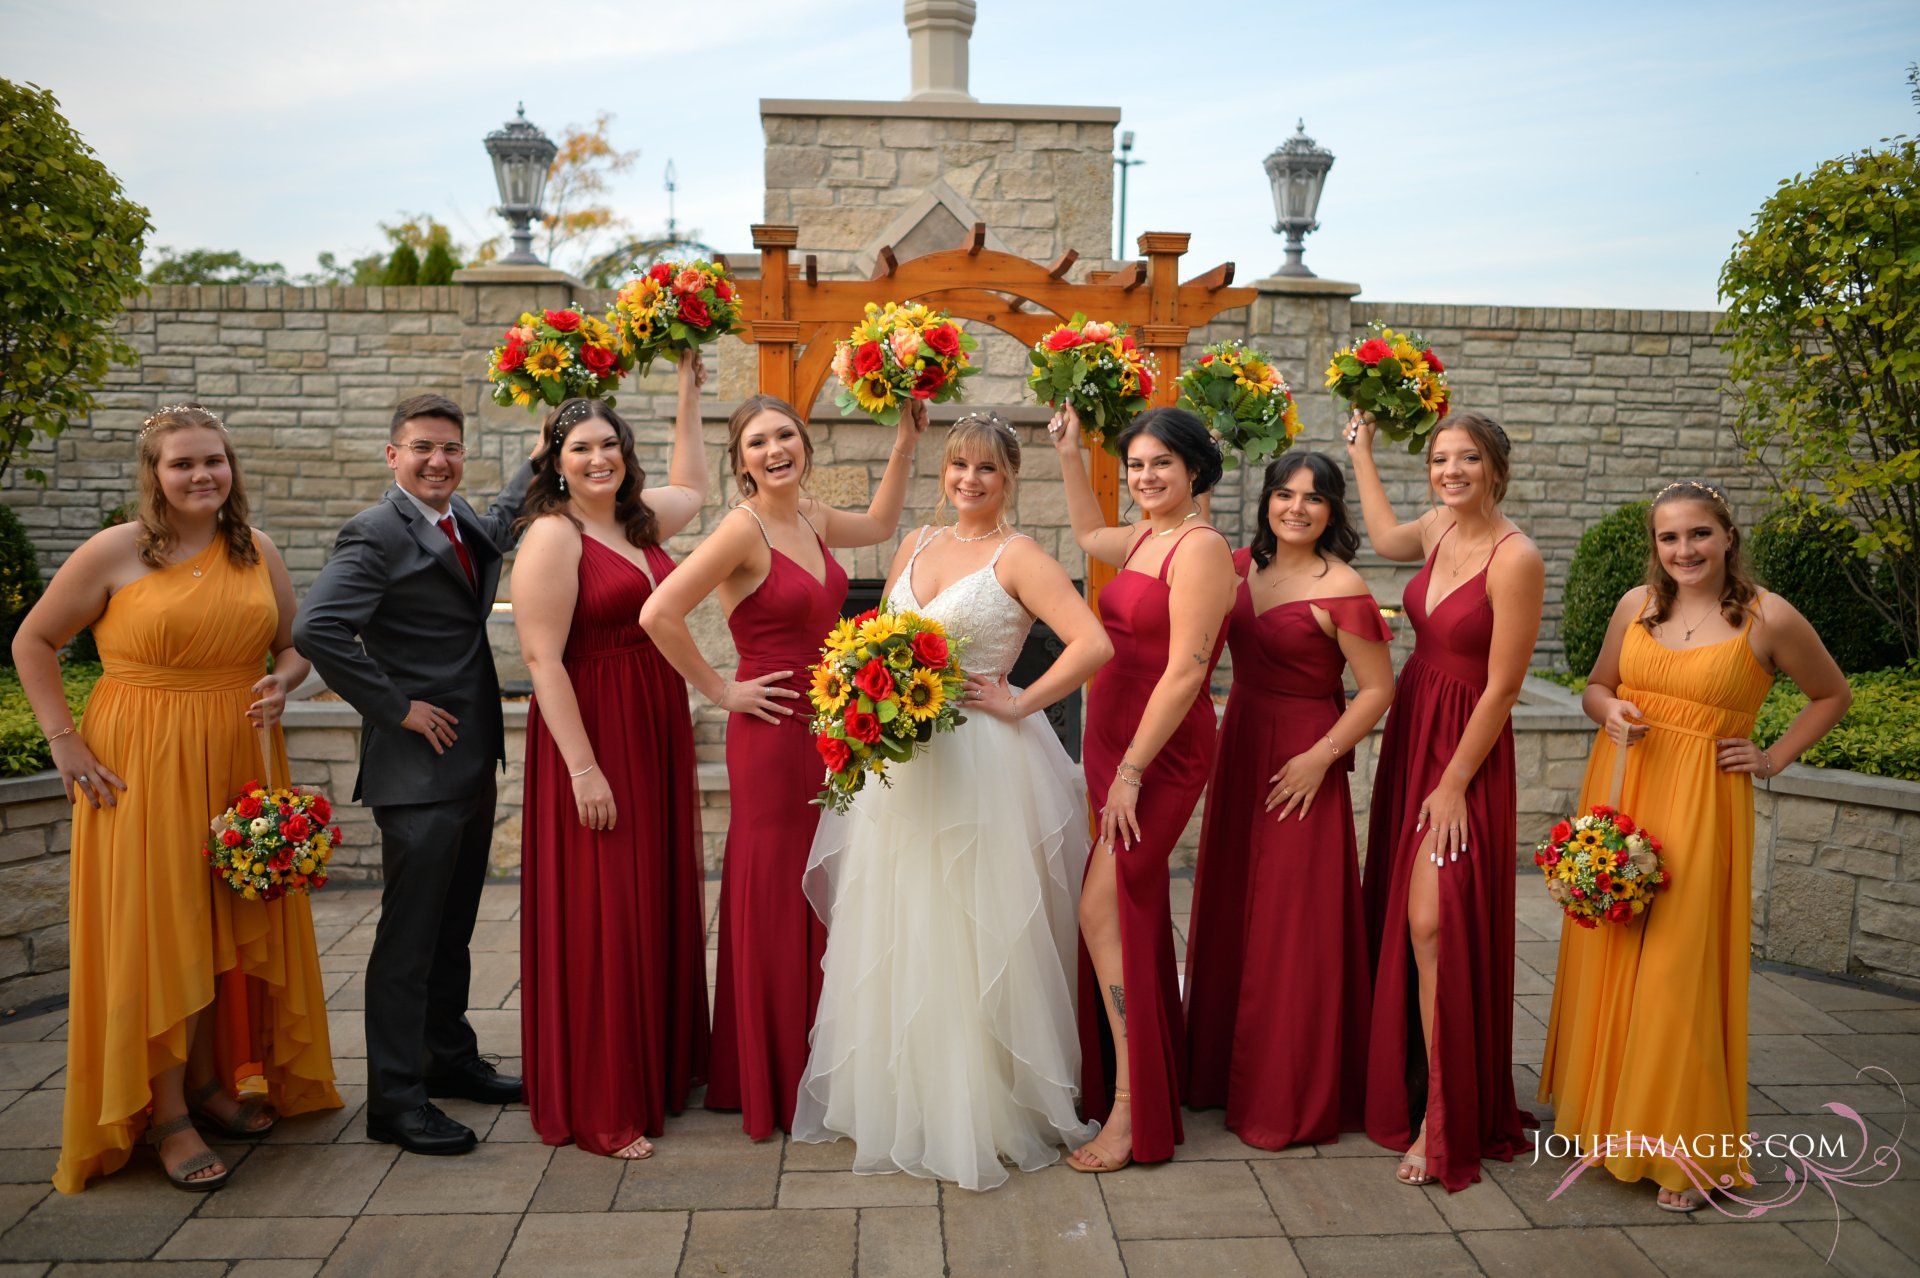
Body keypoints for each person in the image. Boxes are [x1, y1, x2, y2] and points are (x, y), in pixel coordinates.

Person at [17, 405, 340, 1193]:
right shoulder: (116, 550)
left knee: (220, 921)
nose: (202, 475)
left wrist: (283, 681)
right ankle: (164, 1117)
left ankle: (207, 1082)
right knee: (162, 930)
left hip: (237, 755)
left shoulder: (256, 549)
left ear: (232, 467)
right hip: (142, 763)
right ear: (154, 474)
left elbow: (294, 646)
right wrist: (64, 741)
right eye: (183, 463)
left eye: (214, 460)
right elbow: (33, 640)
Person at [789, 412, 1112, 1189]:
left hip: (983, 767)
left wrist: (1020, 699)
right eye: (960, 464)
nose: (970, 479)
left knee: (974, 929)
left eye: (987, 468)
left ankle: (985, 1110)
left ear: (1009, 479)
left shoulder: (1020, 555)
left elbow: (1093, 643)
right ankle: (905, 1102)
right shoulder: (916, 542)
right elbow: (883, 640)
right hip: (905, 769)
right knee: (905, 922)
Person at [1539, 480, 1850, 1212]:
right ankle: (1608, 1124)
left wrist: (1771, 758)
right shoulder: (1635, 606)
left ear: (1728, 536)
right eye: (1670, 537)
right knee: (1612, 955)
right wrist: (1610, 709)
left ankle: (1686, 1156)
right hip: (1625, 790)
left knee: (1680, 970)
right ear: (1656, 545)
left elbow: (1832, 694)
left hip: (1704, 806)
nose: (1685, 550)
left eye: (1699, 534)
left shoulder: (1769, 617)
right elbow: (1595, 686)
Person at [641, 392, 925, 1141]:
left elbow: (882, 525)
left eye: (785, 436)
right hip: (768, 732)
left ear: (804, 445)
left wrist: (904, 439)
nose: (775, 450)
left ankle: (822, 1060)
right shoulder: (743, 529)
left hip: (829, 728)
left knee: (825, 883)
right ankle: (764, 1074)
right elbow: (658, 612)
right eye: (759, 442)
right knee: (774, 889)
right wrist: (721, 690)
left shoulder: (813, 517)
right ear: (741, 462)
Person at [293, 392, 532, 1155]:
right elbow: (317, 627)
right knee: (409, 941)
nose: (438, 460)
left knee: (452, 928)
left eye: (450, 447)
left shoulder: (460, 520)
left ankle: (447, 1058)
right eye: (423, 447)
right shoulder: (374, 532)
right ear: (392, 455)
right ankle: (395, 1102)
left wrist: (541, 455)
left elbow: (504, 520)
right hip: (415, 770)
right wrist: (395, 708)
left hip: (469, 759)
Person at [513, 356, 711, 1160]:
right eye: (580, 449)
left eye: (609, 446)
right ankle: (603, 1103)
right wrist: (583, 769)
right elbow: (541, 660)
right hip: (594, 729)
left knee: (650, 892)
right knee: (606, 908)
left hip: (652, 724)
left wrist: (689, 392)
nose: (599, 460)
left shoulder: (637, 521)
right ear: (554, 462)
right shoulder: (552, 536)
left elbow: (693, 487)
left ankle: (656, 1068)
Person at [1345, 407, 1543, 1191]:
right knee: (1407, 915)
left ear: (1496, 468)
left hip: (1467, 747)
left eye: (1466, 459)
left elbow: (1504, 687)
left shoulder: (1515, 557)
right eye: (1438, 460)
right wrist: (1362, 450)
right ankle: (1416, 1086)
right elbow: (1382, 534)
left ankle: (1444, 1116)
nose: (1450, 472)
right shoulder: (1435, 528)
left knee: (1434, 921)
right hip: (1416, 725)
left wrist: (1455, 782)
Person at [1183, 451, 1394, 1150]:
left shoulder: (1345, 588)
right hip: (1243, 741)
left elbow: (1378, 691)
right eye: (1284, 494)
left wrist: (1319, 759)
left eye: (1313, 498)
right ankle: (1220, 1075)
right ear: (1267, 500)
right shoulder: (1238, 566)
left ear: (1332, 511)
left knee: (1293, 922)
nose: (1296, 508)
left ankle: (1288, 1093)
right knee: (1234, 902)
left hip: (1305, 755)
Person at [1047, 403, 1236, 1173]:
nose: (1147, 476)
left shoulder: (1201, 547)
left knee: (1101, 907)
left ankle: (1132, 1110)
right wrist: (1070, 453)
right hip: (1113, 741)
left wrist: (1131, 771)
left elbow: (1188, 671)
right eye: (1136, 466)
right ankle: (1147, 1081)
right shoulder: (1143, 538)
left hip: (1158, 754)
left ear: (1194, 469)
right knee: (1128, 909)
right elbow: (1088, 533)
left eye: (1162, 463)